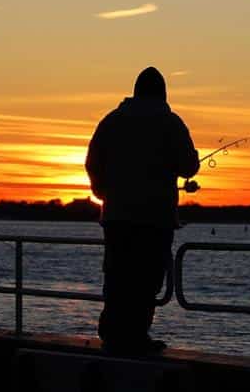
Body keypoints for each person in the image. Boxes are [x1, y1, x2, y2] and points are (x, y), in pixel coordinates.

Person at [85, 67, 199, 354]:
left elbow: (92, 162)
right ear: (163, 93)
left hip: (117, 218)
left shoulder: (111, 121)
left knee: (117, 274)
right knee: (146, 279)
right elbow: (188, 166)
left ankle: (112, 335)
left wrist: (102, 192)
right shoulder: (170, 123)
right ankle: (136, 337)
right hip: (154, 218)